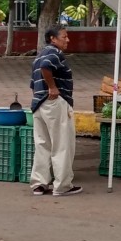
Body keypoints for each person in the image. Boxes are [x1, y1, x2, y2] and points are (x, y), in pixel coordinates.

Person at [29, 26, 82, 196]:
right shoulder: (53, 53)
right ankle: (62, 186)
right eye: (64, 37)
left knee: (43, 144)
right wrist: (52, 88)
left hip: (39, 104)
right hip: (54, 103)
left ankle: (39, 184)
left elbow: (33, 82)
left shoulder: (39, 55)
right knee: (62, 144)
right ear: (53, 38)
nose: (67, 40)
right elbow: (47, 67)